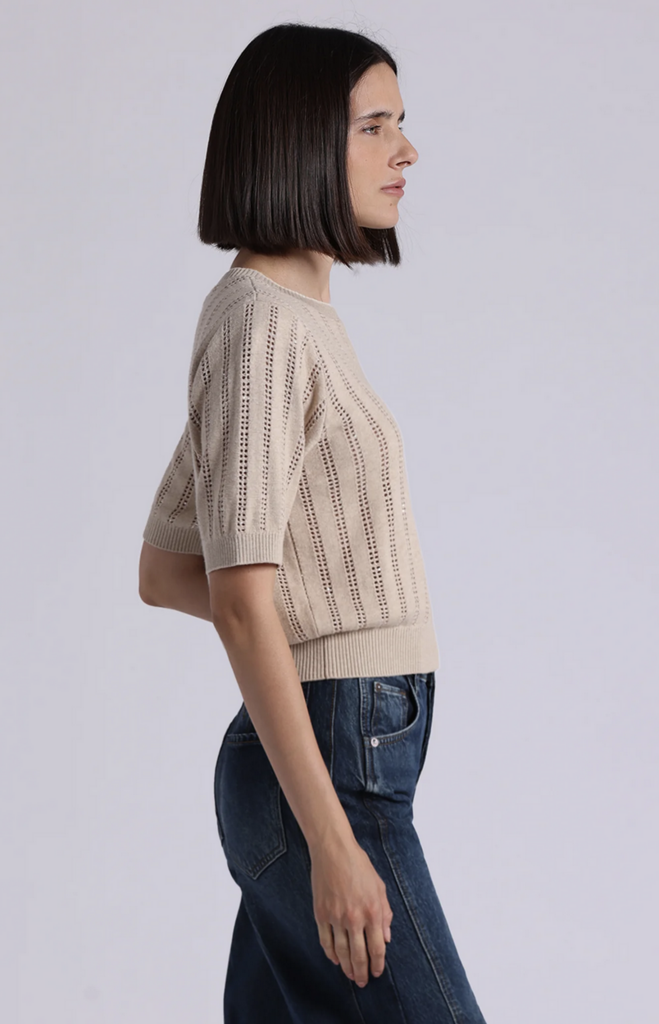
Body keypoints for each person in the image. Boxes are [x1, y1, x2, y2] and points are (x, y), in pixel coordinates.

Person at [138, 22, 488, 1024]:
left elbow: (168, 567)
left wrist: (300, 622)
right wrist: (331, 838)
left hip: (330, 752)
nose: (405, 150)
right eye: (372, 127)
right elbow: (233, 600)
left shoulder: (291, 323)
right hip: (330, 770)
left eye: (399, 123)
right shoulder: (259, 325)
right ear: (295, 141)